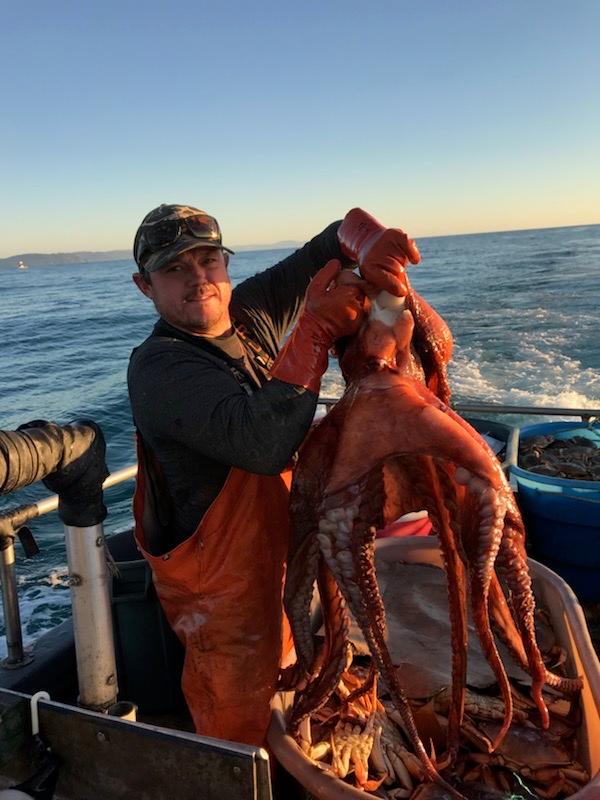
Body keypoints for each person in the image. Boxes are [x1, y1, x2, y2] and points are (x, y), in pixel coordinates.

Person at [128, 203, 421, 747]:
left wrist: (370, 238)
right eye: (175, 269)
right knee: (243, 743)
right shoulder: (159, 367)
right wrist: (314, 332)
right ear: (146, 286)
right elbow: (261, 445)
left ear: (225, 265)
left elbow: (332, 240)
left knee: (305, 702)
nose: (199, 280)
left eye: (209, 261)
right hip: (224, 609)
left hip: (287, 568)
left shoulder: (249, 313)